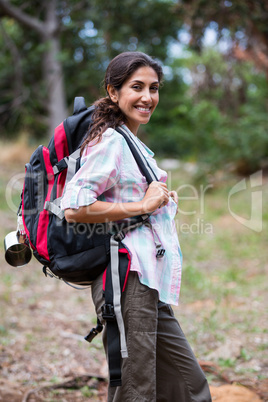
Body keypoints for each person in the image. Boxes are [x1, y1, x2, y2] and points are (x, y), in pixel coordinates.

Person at [61, 52, 211, 402]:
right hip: (126, 279)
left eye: (154, 88)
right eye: (137, 87)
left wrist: (156, 202)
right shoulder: (111, 141)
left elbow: (124, 200)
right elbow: (74, 206)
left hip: (147, 279)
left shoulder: (133, 144)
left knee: (189, 387)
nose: (148, 97)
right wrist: (141, 204)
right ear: (113, 93)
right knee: (135, 389)